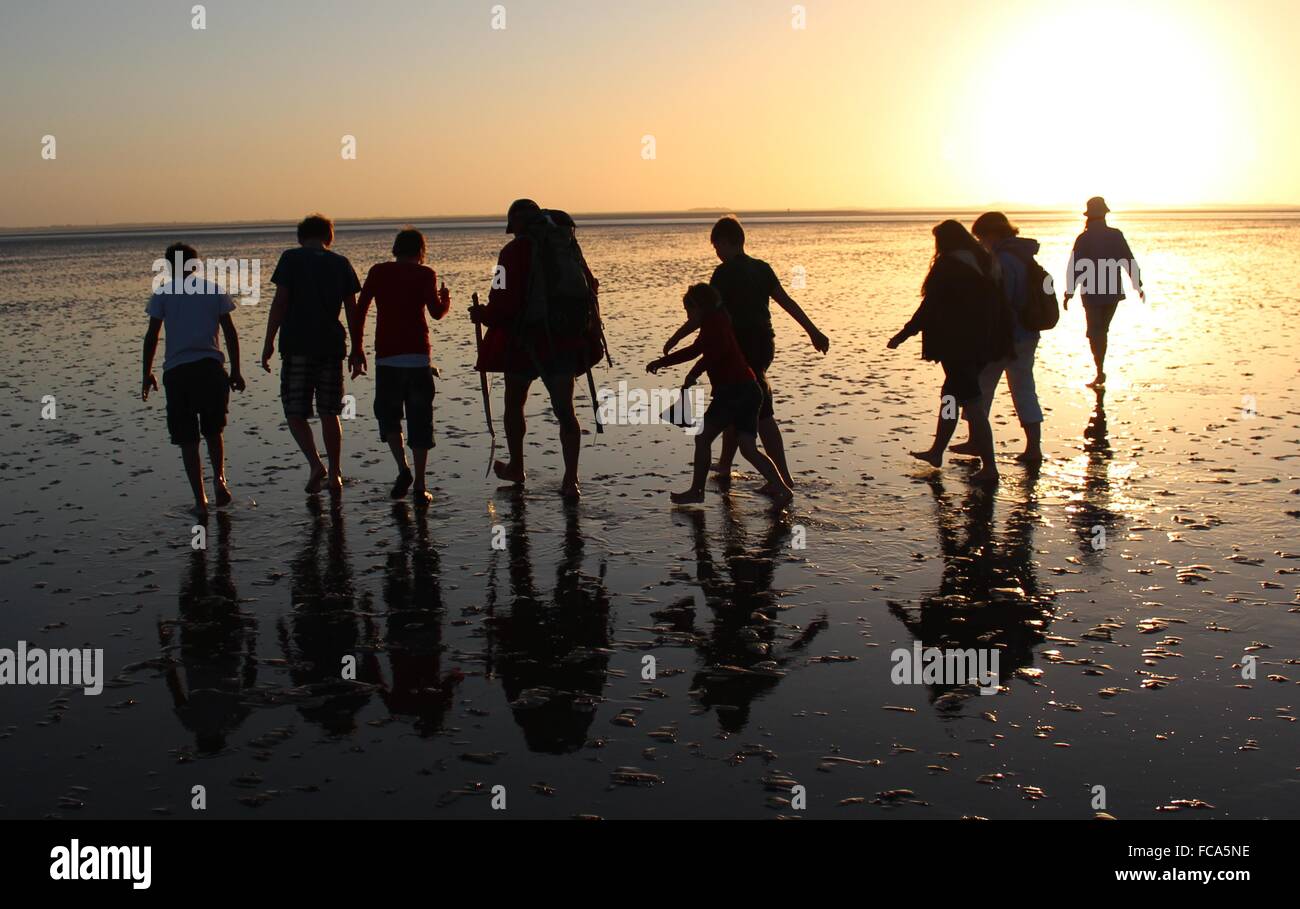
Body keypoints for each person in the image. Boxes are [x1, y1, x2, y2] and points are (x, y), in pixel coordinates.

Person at [662, 216, 829, 491]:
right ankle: (726, 465)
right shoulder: (762, 268)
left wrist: (675, 338)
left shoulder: (723, 273)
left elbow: (704, 315)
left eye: (717, 246)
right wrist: (813, 331)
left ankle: (783, 480)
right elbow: (786, 302)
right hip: (765, 344)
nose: (716, 252)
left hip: (741, 347)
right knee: (735, 400)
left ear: (728, 242)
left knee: (762, 412)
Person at [468, 199, 602, 499]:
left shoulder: (510, 252)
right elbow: (592, 286)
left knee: (514, 402)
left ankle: (517, 466)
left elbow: (500, 297)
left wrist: (483, 315)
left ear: (516, 224)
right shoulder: (567, 248)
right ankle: (571, 480)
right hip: (564, 340)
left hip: (524, 343)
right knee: (565, 410)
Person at [647, 283, 793, 507]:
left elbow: (707, 355)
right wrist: (664, 362)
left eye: (689, 311)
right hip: (750, 390)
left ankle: (697, 491)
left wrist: (687, 374)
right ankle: (781, 488)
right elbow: (699, 351)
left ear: (698, 307)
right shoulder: (717, 320)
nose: (688, 317)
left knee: (703, 437)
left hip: (733, 392)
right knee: (748, 448)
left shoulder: (715, 324)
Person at [887, 220, 1006, 485]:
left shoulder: (949, 265)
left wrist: (903, 334)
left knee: (973, 404)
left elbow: (929, 307)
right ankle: (937, 451)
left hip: (956, 345)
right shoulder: (984, 262)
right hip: (982, 344)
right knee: (950, 397)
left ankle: (990, 467)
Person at [260, 213, 364, 497]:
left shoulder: (291, 259)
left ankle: (316, 464)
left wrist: (268, 342)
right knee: (330, 411)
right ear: (329, 237)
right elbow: (352, 310)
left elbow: (280, 302)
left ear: (300, 237)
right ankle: (335, 473)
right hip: (331, 345)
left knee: (295, 411)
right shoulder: (340, 263)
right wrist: (358, 348)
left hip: (296, 344)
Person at [142, 242, 246, 520]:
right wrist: (236, 370)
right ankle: (219, 479)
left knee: (187, 438)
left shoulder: (163, 293)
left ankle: (200, 499)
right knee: (214, 431)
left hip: (178, 373)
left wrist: (146, 373)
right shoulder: (212, 290)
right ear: (196, 265)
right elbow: (231, 333)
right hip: (210, 368)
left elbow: (152, 336)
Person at [356, 227, 450, 505]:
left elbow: (360, 309)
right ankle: (420, 485)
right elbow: (436, 313)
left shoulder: (378, 272)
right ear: (421, 251)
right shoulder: (425, 274)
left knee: (389, 416)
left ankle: (402, 469)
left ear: (395, 249)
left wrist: (357, 347)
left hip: (387, 357)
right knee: (421, 420)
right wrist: (446, 300)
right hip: (419, 357)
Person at [950, 211, 1045, 463]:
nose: (981, 242)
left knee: (980, 387)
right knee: (1024, 389)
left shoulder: (1002, 260)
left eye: (982, 237)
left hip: (1004, 336)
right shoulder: (1024, 257)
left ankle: (976, 441)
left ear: (993, 233)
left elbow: (999, 301)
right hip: (1027, 334)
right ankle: (1033, 448)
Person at [1063, 196, 1145, 388]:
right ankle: (1100, 370)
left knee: (1095, 331)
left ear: (1089, 216)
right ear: (1105, 214)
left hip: (1091, 291)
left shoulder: (1083, 238)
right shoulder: (1115, 235)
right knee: (1101, 330)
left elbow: (1074, 267)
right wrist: (1137, 284)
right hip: (1112, 291)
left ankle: (1099, 371)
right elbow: (1128, 260)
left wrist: (1068, 292)